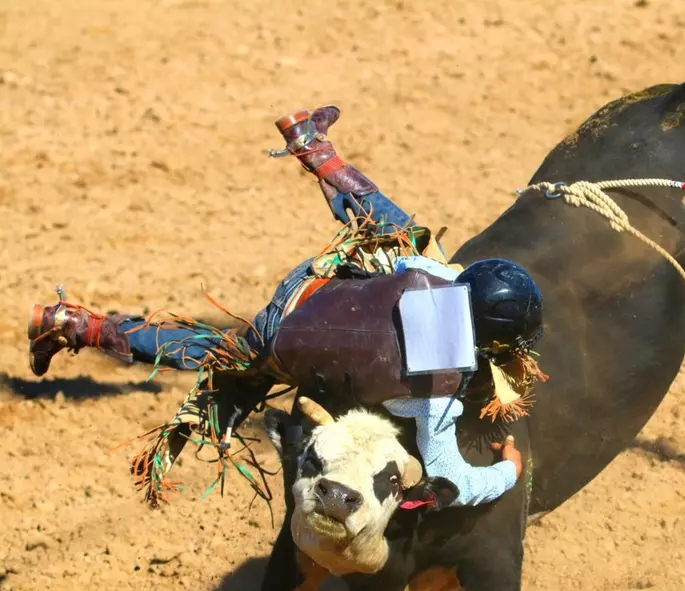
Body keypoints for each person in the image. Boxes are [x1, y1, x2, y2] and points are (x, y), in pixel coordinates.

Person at [26, 105, 544, 509]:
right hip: (278, 348)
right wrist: (508, 470)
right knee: (213, 352)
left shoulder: (436, 274)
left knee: (399, 230)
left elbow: (397, 248)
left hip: (305, 290)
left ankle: (314, 149)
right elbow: (450, 478)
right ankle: (77, 325)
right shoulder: (441, 394)